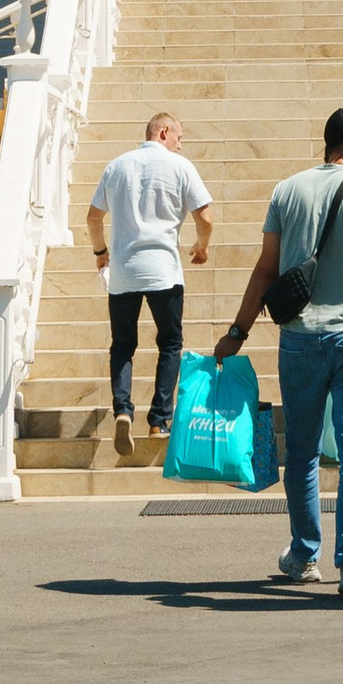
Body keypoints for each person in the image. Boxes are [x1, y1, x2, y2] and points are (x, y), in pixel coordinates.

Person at [216, 105, 343, 601]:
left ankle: (303, 554)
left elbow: (266, 268)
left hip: (298, 336)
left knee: (302, 451)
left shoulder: (287, 190)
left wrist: (238, 330)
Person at [86, 109, 213, 453]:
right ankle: (159, 421)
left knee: (123, 345)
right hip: (163, 271)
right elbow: (205, 217)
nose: (180, 146)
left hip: (124, 271)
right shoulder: (180, 167)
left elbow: (93, 216)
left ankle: (123, 411)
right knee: (170, 343)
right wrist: (201, 247)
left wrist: (100, 251)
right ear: (164, 132)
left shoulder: (117, 166)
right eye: (179, 138)